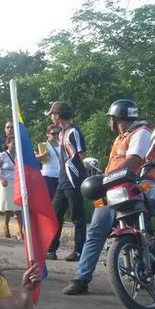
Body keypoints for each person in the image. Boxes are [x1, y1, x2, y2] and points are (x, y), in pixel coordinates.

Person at [63, 99, 155, 295]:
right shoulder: (119, 138)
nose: (109, 122)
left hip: (140, 183)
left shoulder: (141, 133)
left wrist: (105, 178)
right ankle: (81, 278)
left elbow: (133, 161)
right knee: (95, 232)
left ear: (117, 118)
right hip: (113, 188)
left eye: (111, 118)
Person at [46, 102, 87, 261]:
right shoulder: (62, 133)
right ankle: (51, 248)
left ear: (57, 115)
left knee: (77, 216)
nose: (51, 117)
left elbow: (82, 155)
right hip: (62, 180)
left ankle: (79, 250)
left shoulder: (74, 132)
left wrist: (88, 172)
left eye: (52, 114)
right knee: (55, 214)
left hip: (74, 179)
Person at [0, 137, 23, 239]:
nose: (14, 145)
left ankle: (20, 230)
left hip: (17, 182)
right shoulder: (2, 155)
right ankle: (6, 225)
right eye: (13, 143)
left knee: (19, 208)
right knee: (9, 208)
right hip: (5, 182)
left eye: (16, 144)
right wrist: (1, 179)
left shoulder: (19, 155)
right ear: (8, 144)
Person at [36, 125, 61, 201]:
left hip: (60, 175)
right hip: (48, 175)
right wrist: (43, 155)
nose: (56, 135)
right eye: (53, 133)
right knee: (51, 199)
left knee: (60, 200)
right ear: (48, 134)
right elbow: (33, 157)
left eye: (58, 133)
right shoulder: (44, 145)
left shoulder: (62, 144)